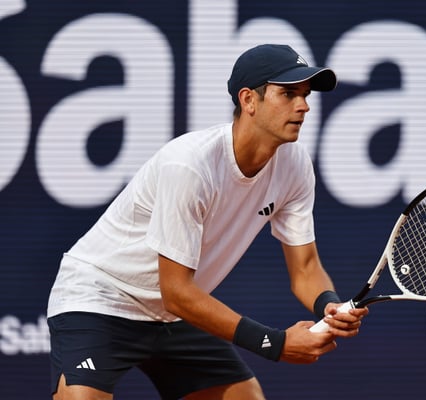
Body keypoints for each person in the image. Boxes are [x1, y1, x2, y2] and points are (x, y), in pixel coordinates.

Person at [47, 43, 369, 400]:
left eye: (305, 95)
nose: (304, 106)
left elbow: (305, 269)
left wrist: (328, 305)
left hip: (171, 313)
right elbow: (177, 293)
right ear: (249, 100)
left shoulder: (294, 165)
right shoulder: (190, 165)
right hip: (102, 297)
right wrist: (274, 343)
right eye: (288, 94)